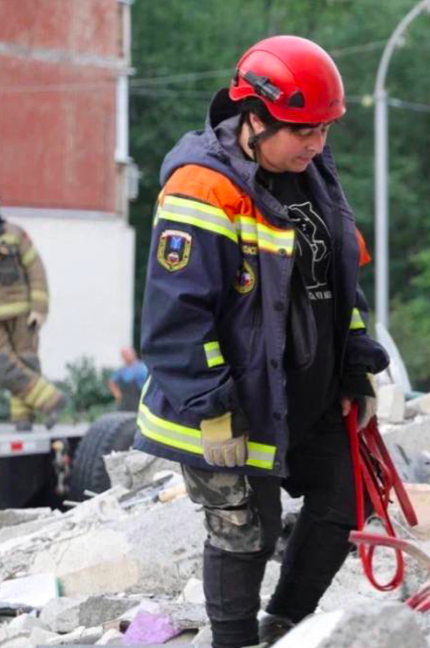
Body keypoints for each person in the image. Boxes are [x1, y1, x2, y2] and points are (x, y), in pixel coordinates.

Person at [133, 35, 389, 648]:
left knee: (348, 501)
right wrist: (212, 407)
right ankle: (235, 641)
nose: (317, 144)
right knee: (245, 526)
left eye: (325, 130)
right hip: (232, 404)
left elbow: (338, 280)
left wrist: (357, 363)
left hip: (311, 394)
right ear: (254, 118)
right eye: (303, 131)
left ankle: (284, 626)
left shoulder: (312, 172)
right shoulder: (203, 187)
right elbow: (175, 318)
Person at [0, 196, 65, 430]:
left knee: (26, 362)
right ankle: (51, 400)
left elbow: (36, 271)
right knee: (5, 367)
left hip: (22, 313)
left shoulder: (16, 234)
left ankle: (23, 418)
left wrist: (39, 309)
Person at [108, 347, 147, 412]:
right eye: (124, 354)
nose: (127, 356)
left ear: (134, 353)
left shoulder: (143, 368)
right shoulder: (121, 371)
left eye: (128, 353)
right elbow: (112, 383)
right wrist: (118, 396)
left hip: (140, 404)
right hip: (124, 406)